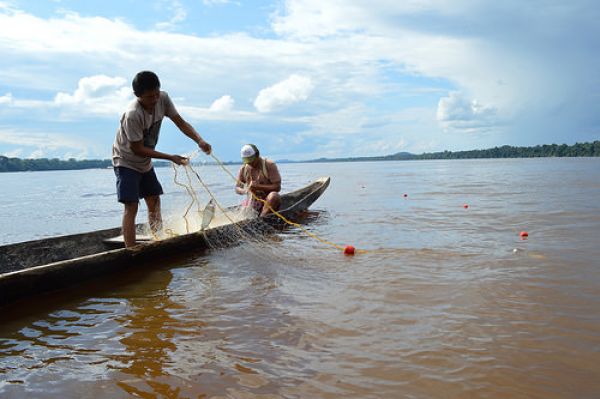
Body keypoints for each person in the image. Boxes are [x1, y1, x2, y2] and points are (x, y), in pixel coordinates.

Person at [112, 71, 211, 247]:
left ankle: (158, 240)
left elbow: (180, 122)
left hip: (145, 162)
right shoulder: (132, 114)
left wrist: (199, 140)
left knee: (154, 200)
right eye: (150, 97)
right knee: (131, 205)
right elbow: (138, 149)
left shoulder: (163, 98)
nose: (155, 99)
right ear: (138, 95)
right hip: (126, 161)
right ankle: (131, 249)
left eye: (157, 93)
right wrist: (170, 157)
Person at [235, 144, 281, 216]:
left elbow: (277, 187)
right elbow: (237, 188)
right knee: (242, 209)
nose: (250, 163)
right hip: (253, 202)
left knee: (274, 196)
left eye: (251, 160)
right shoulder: (243, 169)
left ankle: (261, 218)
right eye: (247, 161)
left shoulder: (269, 165)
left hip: (269, 202)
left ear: (257, 154)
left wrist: (259, 187)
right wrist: (246, 191)